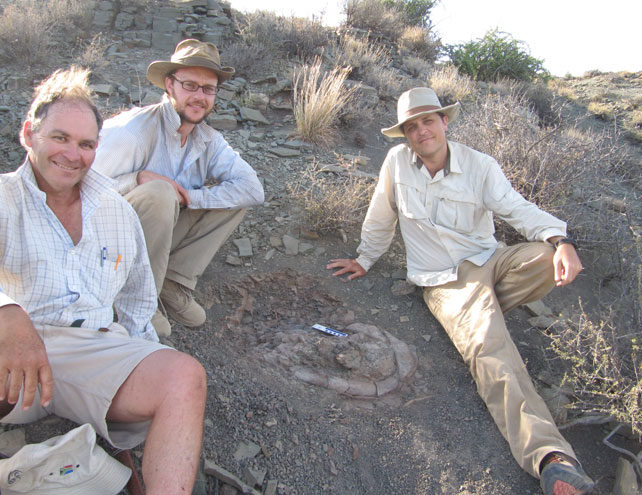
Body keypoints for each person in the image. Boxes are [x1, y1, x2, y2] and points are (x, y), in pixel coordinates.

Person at [326, 87, 594, 495]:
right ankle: (550, 457)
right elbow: (381, 214)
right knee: (491, 350)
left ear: (444, 122)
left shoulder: (478, 164)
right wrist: (365, 258)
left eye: (428, 121)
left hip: (488, 260)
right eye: (411, 126)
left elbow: (517, 207)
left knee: (542, 257)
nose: (421, 131)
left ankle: (476, 316)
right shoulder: (397, 163)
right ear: (405, 134)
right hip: (444, 281)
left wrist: (562, 240)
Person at [0, 67, 207, 495]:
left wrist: (142, 386)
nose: (73, 154)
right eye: (59, 138)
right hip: (11, 365)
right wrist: (5, 314)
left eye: (86, 144)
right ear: (28, 134)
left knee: (183, 375)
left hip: (90, 353)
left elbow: (136, 306)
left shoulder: (116, 211)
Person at [92, 39, 264, 337]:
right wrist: (136, 180)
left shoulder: (208, 139)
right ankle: (134, 299)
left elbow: (253, 189)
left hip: (157, 239)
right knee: (159, 193)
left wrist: (191, 198)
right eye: (190, 85)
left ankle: (172, 282)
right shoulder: (131, 133)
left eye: (208, 89)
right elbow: (79, 192)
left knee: (231, 199)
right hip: (108, 249)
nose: (199, 96)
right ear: (169, 85)